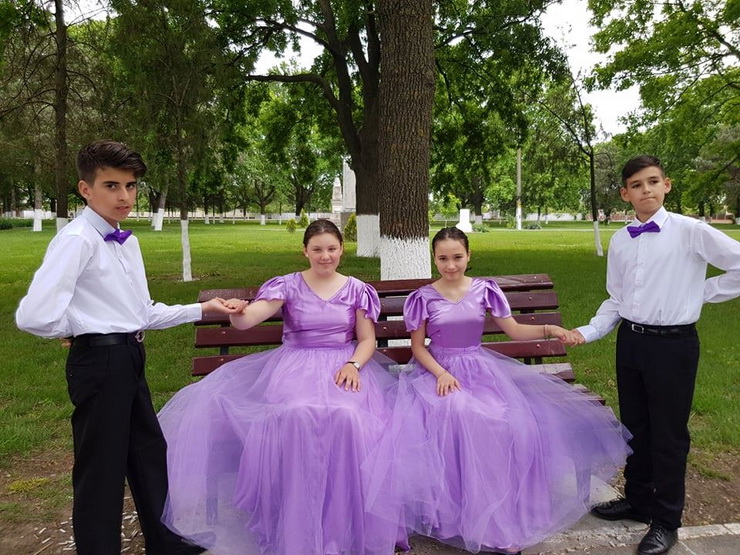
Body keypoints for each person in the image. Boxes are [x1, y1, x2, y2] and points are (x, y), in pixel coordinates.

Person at [15, 140, 239, 554]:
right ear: (85, 189)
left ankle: (166, 543)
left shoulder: (126, 242)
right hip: (100, 361)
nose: (124, 196)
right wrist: (77, 328)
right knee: (102, 467)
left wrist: (202, 308)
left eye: (131, 186)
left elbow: (141, 313)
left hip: (129, 356)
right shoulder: (77, 240)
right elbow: (33, 315)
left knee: (147, 451)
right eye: (112, 186)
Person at [363, 227, 632, 555]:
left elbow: (514, 331)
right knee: (458, 413)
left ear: (469, 255)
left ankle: (498, 517)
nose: (451, 265)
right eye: (443, 258)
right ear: (434, 259)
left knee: (506, 422)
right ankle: (456, 516)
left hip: (479, 371)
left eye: (457, 257)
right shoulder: (423, 298)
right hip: (437, 373)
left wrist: (550, 328)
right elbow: (418, 348)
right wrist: (441, 373)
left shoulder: (484, 290)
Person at [158, 219, 402, 555]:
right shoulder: (288, 285)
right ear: (305, 251)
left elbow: (367, 340)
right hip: (296, 367)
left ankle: (342, 522)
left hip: (344, 367)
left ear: (341, 250)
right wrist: (237, 311)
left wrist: (354, 364)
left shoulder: (357, 290)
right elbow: (247, 320)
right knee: (297, 414)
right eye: (317, 249)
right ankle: (296, 520)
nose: (325, 256)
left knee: (347, 417)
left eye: (332, 249)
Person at [571, 155, 740, 555]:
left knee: (668, 434)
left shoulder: (690, 231)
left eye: (652, 181)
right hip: (631, 342)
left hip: (673, 346)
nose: (645, 190)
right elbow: (616, 298)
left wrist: (700, 293)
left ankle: (666, 520)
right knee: (636, 427)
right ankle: (638, 499)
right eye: (636, 184)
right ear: (624, 194)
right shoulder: (620, 240)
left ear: (666, 185)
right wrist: (587, 331)